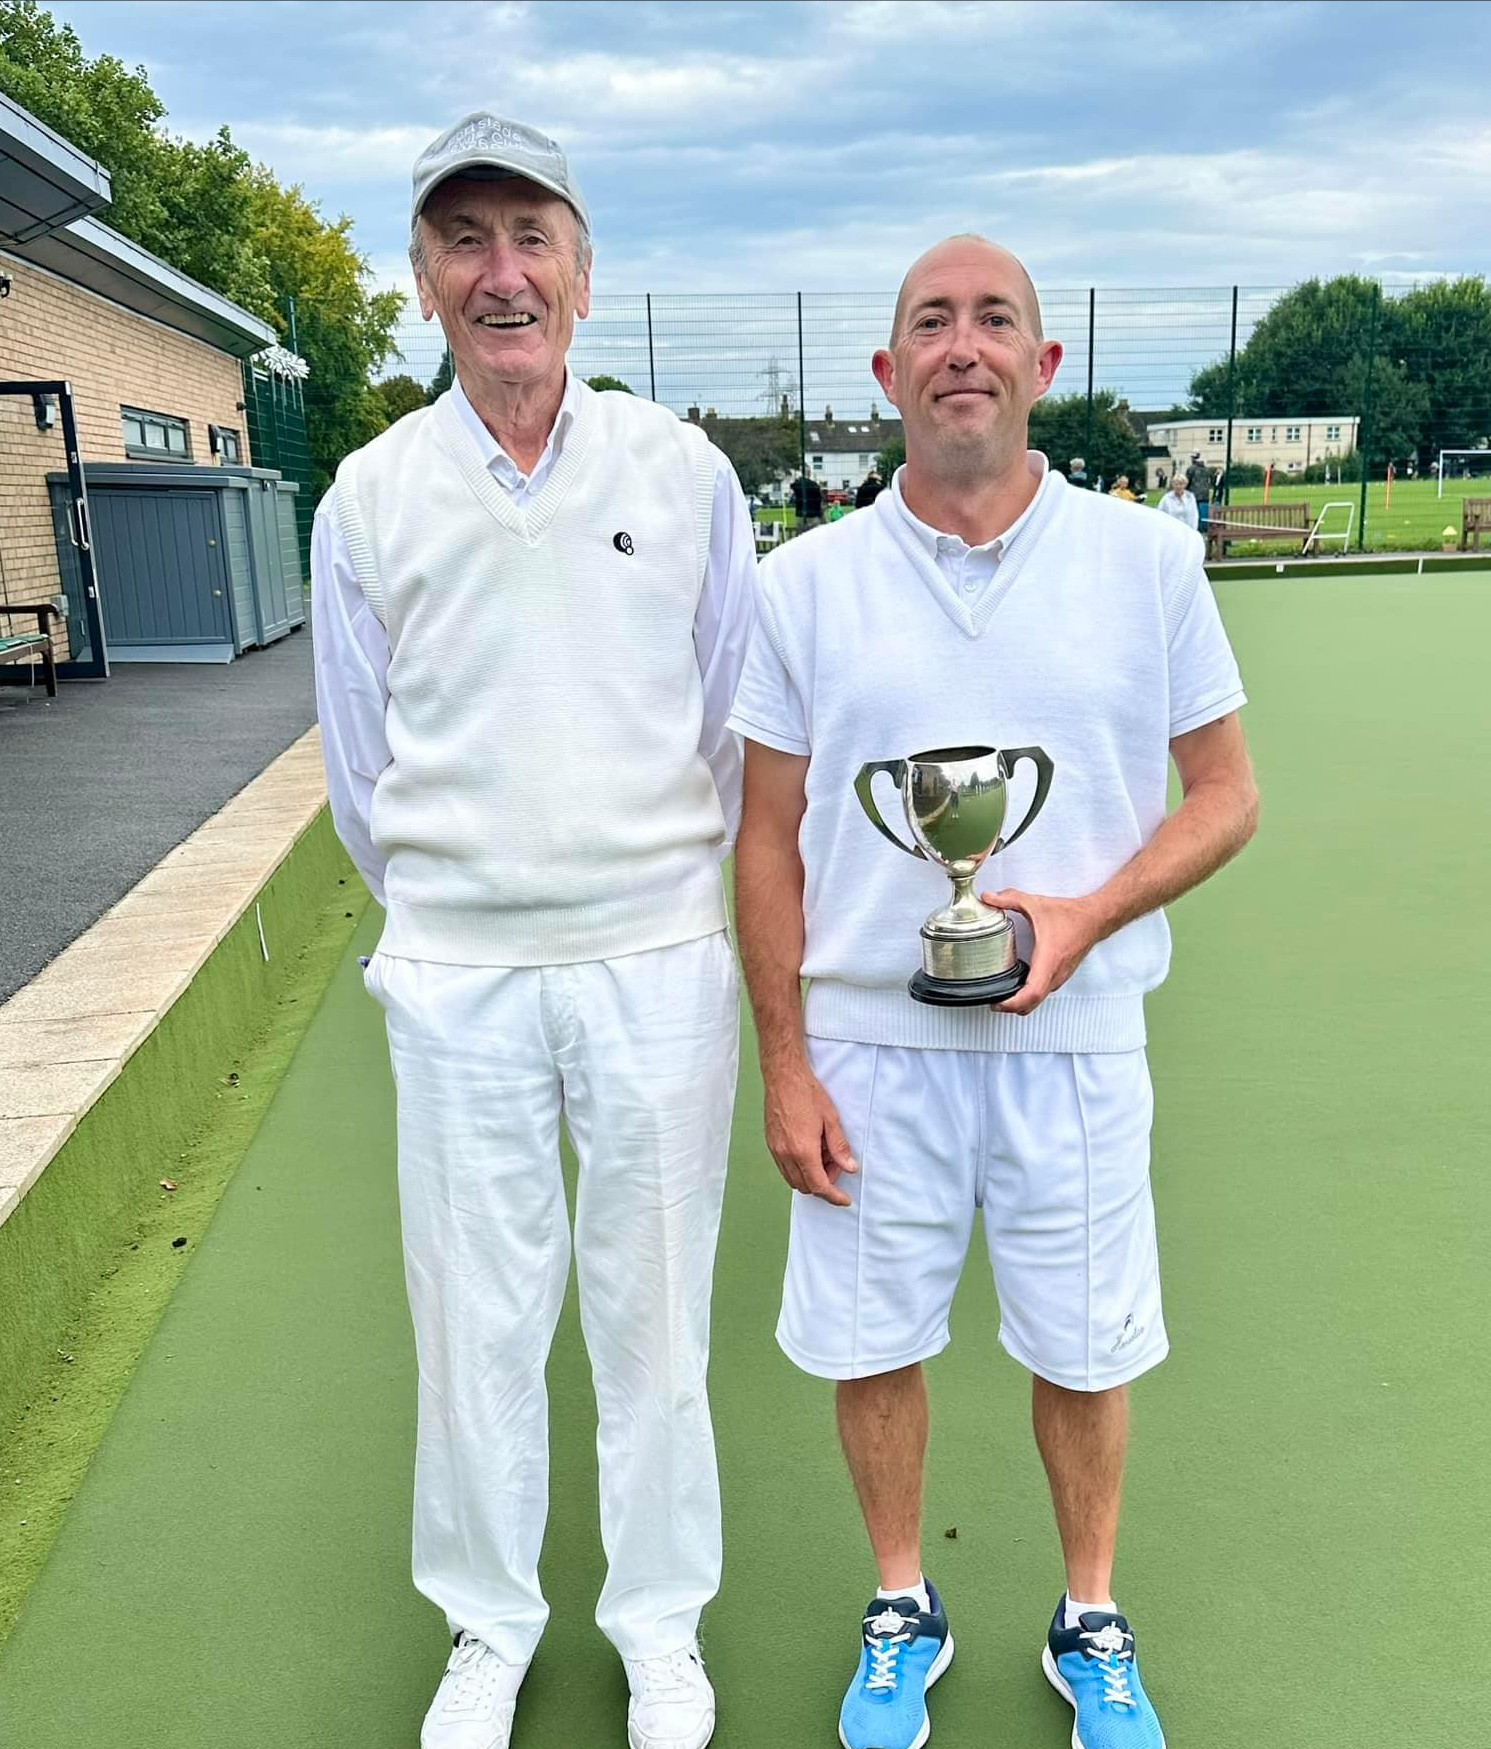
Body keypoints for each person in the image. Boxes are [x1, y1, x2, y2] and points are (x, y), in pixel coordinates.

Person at [728, 234, 1257, 1749]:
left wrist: (1083, 916)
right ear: (887, 376)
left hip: (1072, 1037)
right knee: (870, 1340)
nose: (961, 345)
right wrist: (782, 1064)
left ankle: (1086, 1613)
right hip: (865, 1046)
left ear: (1042, 366)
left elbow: (1221, 794)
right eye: (928, 324)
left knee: (1083, 1346)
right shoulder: (805, 582)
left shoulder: (1144, 560)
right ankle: (902, 1599)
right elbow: (765, 841)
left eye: (993, 321)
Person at [312, 112, 756, 1749]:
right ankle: (489, 1626)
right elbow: (363, 770)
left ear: (583, 264)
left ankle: (658, 1620)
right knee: (475, 1315)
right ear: (422, 276)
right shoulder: (370, 494)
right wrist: (467, 897)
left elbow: (728, 721)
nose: (501, 274)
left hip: (655, 957)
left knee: (651, 1307)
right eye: (463, 239)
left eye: (530, 235)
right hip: (456, 972)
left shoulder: (684, 472)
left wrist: (631, 879)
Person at [1184, 449, 1213, 531]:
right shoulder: (1206, 469)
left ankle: (1196, 529)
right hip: (1205, 494)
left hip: (1194, 494)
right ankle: (1204, 529)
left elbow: (1186, 482)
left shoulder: (1191, 469)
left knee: (1195, 513)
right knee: (1203, 513)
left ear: (1193, 458)